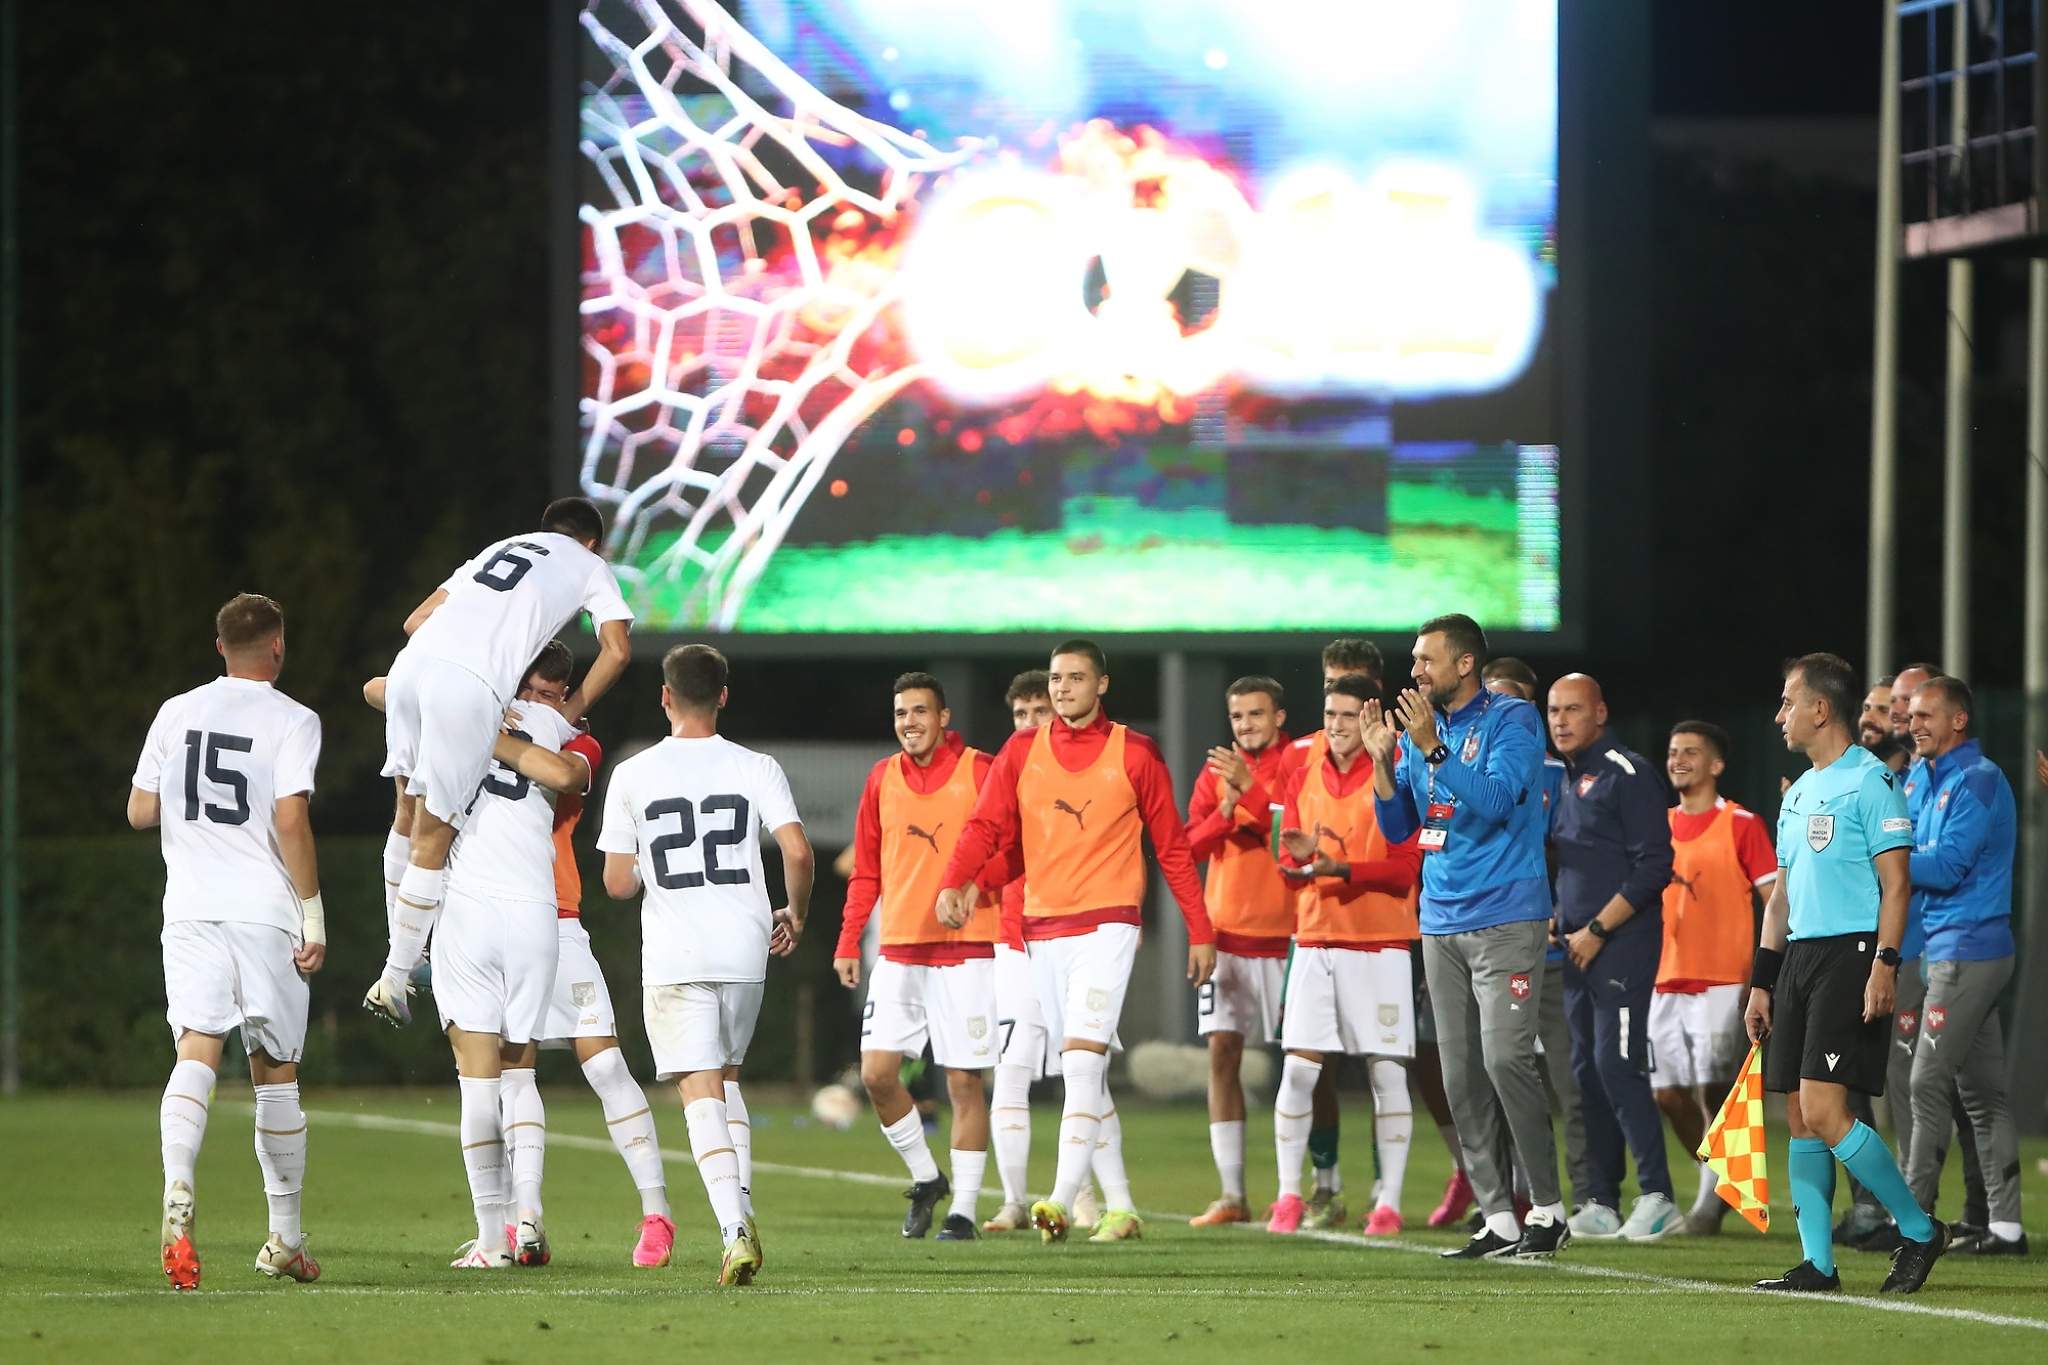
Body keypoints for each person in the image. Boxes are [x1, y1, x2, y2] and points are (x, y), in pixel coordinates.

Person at [937, 639, 1217, 1245]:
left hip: (1109, 923)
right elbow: (985, 827)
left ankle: (1060, 1200)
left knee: (1083, 1060)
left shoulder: (1136, 752)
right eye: (1057, 678)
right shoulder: (1021, 750)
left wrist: (1200, 929)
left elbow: (1171, 846)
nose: (1063, 688)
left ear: (1103, 685)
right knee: (1079, 1069)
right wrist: (956, 881)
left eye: (1076, 678)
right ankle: (1120, 1207)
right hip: (1041, 928)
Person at [366, 496, 634, 1027]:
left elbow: (416, 620)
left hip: (411, 668)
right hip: (467, 683)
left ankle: (404, 950)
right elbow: (618, 650)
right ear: (592, 544)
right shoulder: (590, 565)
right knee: (433, 835)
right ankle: (396, 977)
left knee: (405, 811)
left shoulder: (501, 548)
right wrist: (570, 712)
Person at [599, 644, 814, 1286]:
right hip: (745, 947)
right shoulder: (757, 766)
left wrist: (645, 869)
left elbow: (615, 883)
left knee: (699, 1092)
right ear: (724, 695)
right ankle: (741, 1211)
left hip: (676, 953)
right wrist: (795, 915)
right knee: (727, 1081)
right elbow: (797, 854)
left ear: (665, 697)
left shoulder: (634, 773)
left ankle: (734, 1229)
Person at [130, 594, 326, 1290]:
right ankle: (285, 1239)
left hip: (188, 908)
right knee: (275, 1070)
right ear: (277, 646)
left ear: (219, 647)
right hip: (263, 909)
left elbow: (139, 808)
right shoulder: (294, 718)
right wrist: (314, 916)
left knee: (196, 1049)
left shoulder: (175, 711)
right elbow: (291, 819)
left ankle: (180, 1187)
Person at [1747, 652, 1947, 1294]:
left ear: (1820, 709)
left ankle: (1919, 1230)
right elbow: (1780, 896)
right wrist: (1762, 980)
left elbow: (1896, 884)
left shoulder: (1871, 781)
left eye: (1787, 701)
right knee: (1800, 1115)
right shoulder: (1800, 790)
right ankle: (1818, 1264)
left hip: (1854, 953)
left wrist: (1885, 964)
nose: (1780, 714)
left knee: (1826, 1110)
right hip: (1801, 957)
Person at [1369, 614, 1567, 1261]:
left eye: (1426, 659)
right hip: (1439, 918)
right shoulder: (1418, 731)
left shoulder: (1512, 720)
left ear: (1464, 665)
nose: (1415, 670)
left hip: (1508, 914)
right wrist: (1381, 760)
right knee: (1457, 1074)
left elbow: (1500, 798)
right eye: (1414, 658)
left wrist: (1430, 749)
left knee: (1506, 1057)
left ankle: (1548, 1205)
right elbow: (1401, 826)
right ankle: (1497, 1218)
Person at [417, 657, 589, 1268]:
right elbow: (574, 771)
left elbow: (381, 688)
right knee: (521, 1072)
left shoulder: (457, 713)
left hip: (472, 909)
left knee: (477, 1077)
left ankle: (492, 1239)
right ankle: (530, 1216)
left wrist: (476, 719)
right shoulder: (560, 726)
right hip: (538, 913)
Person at [836, 673, 1012, 1240]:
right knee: (877, 1075)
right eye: (900, 714)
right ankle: (926, 1177)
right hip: (900, 951)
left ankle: (962, 1210)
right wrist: (848, 940)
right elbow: (866, 870)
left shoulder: (980, 769)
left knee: (963, 1081)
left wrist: (972, 886)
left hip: (968, 952)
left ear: (943, 717)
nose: (909, 722)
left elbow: (1014, 849)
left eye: (919, 712)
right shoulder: (881, 778)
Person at [522, 644, 678, 1268]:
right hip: (489, 925)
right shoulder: (484, 725)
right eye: (526, 691)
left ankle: (657, 1215)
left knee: (607, 1067)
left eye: (547, 694)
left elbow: (558, 774)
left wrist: (496, 734)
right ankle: (521, 1222)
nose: (535, 703)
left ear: (567, 698)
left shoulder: (579, 747)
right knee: (509, 1075)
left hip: (556, 920)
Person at [1270, 675, 1424, 1234]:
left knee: (1385, 1076)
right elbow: (1289, 871)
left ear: (1371, 721)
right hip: (1315, 942)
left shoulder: (1398, 775)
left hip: (1379, 945)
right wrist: (1299, 863)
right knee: (1298, 1072)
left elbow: (1408, 868)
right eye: (1329, 714)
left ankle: (1388, 1203)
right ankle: (1288, 1196)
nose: (1336, 725)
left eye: (1348, 716)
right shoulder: (1302, 775)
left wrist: (1340, 869)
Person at [1548, 675, 1680, 1242]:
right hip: (1576, 945)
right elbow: (1579, 863)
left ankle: (1658, 1196)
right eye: (1552, 710)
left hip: (1619, 944)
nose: (1560, 720)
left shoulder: (1628, 773)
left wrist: (1599, 927)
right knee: (1585, 1073)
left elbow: (1654, 865)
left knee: (1617, 1065)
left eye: (1572, 709)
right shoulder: (1570, 777)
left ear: (1600, 712)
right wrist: (1561, 914)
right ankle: (1601, 1199)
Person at [1900, 676, 2026, 1254]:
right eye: (1912, 715)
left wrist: (1884, 857)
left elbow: (1947, 867)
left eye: (1927, 715)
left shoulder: (1978, 779)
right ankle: (2004, 1228)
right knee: (1982, 1095)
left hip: (1969, 950)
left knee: (1925, 1080)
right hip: (1947, 949)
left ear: (1958, 721)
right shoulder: (1922, 778)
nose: (1914, 723)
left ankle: (1913, 1221)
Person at [1653, 722, 1776, 1235]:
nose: (1679, 759)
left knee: (1713, 1089)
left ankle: (1707, 1207)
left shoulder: (1742, 824)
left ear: (1716, 765)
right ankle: (1721, 1182)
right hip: (1663, 978)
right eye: (1673, 751)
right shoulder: (1656, 825)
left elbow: (1775, 901)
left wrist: (1766, 972)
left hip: (1724, 978)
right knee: (1667, 1095)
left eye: (1691, 752)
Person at [1184, 675, 1298, 1226]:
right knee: (1222, 1055)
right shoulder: (1216, 774)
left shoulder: (1298, 764)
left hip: (1286, 935)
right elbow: (1188, 847)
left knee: (1305, 1062)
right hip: (1226, 936)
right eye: (1237, 718)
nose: (1246, 725)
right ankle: (1232, 1194)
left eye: (1256, 715)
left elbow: (1284, 836)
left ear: (1279, 717)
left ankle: (1314, 1188)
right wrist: (1226, 806)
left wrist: (1245, 800)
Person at [1481, 657, 1587, 1222]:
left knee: (1567, 1082)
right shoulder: (1464, 768)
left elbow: (1575, 857)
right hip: (1484, 940)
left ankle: (1586, 1196)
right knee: (1490, 1076)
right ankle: (1506, 1198)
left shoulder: (1557, 774)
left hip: (1549, 948)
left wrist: (1565, 914)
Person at [1287, 638, 1387, 1223]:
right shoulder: (1300, 756)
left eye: (1352, 684)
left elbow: (1409, 854)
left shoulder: (1404, 755)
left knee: (1398, 1062)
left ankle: (1391, 1187)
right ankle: (1323, 1182)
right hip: (1314, 930)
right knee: (1308, 1061)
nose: (1339, 696)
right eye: (1331, 684)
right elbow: (1282, 843)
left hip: (1390, 933)